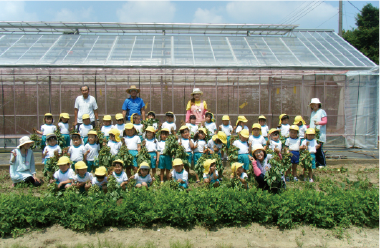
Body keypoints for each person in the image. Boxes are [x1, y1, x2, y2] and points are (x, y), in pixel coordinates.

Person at [309, 98, 327, 168]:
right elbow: (311, 124)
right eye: (313, 104)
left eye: (315, 104)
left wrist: (318, 123)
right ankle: (316, 163)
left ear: (318, 104)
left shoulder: (322, 111)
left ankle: (322, 164)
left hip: (320, 134)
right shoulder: (313, 113)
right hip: (313, 134)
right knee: (314, 149)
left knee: (319, 149)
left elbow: (325, 121)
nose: (314, 106)